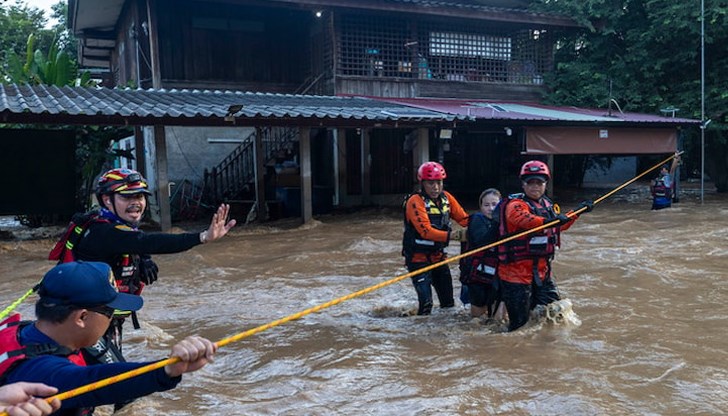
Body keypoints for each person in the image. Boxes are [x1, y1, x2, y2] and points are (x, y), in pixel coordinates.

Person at [47, 168, 234, 407]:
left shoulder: (114, 226)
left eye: (140, 197)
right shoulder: (102, 232)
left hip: (106, 320)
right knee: (121, 389)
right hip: (81, 325)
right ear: (107, 200)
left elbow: (135, 241)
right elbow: (144, 241)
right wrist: (202, 237)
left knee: (98, 385)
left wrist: (142, 259)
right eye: (127, 197)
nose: (137, 203)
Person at [0, 261, 217, 415]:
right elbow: (95, 381)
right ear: (82, 317)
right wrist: (167, 369)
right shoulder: (42, 373)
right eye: (110, 312)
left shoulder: (22, 330)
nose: (113, 318)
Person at [497, 160, 592, 331]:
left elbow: (559, 225)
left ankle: (547, 347)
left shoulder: (547, 205)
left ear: (545, 184)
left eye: (539, 182)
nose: (535, 186)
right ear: (523, 184)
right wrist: (550, 221)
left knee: (556, 313)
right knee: (519, 326)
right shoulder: (515, 205)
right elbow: (524, 220)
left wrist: (577, 212)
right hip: (516, 276)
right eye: (530, 182)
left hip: (541, 274)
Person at [402, 161, 469, 315]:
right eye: (431, 183)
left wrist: (485, 223)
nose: (436, 187)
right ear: (422, 183)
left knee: (448, 304)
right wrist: (453, 236)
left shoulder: (447, 198)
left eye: (438, 182)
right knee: (426, 304)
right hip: (418, 260)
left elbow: (464, 219)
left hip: (439, 258)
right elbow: (426, 231)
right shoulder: (415, 201)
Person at [459, 188, 502, 319]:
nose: (491, 208)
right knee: (477, 319)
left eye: (495, 205)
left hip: (497, 275)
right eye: (486, 205)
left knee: (497, 317)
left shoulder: (505, 223)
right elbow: (482, 242)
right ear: (481, 207)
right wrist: (496, 223)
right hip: (478, 277)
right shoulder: (477, 220)